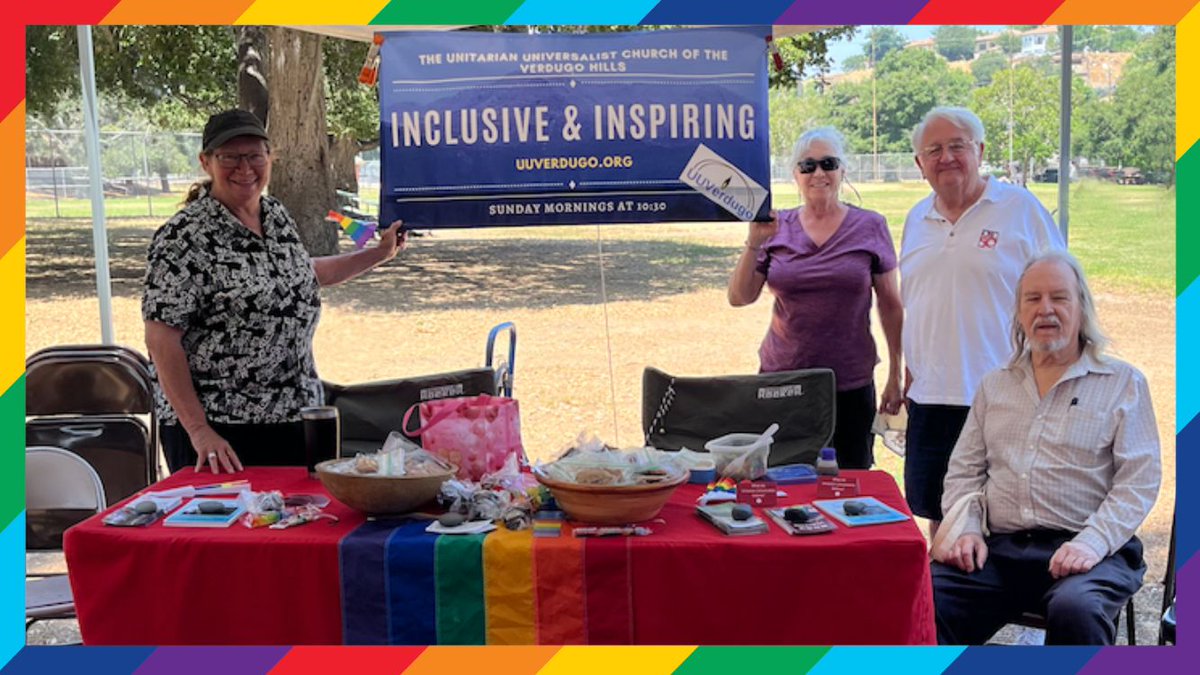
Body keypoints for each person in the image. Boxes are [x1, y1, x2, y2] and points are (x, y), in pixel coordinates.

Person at [142, 109, 407, 474]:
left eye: (254, 155)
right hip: (223, 431)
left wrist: (378, 254)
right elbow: (161, 339)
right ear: (206, 162)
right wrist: (199, 430)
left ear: (271, 158)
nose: (244, 168)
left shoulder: (276, 215)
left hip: (296, 416)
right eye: (230, 157)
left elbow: (303, 274)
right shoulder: (183, 237)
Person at [931, 251, 1160, 645]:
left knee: (1077, 610)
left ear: (1082, 308)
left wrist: (1091, 542)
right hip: (1000, 550)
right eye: (1032, 299)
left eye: (1059, 297)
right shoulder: (995, 385)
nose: (1045, 309)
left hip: (1091, 552)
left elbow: (1138, 482)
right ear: (1019, 313)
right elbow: (965, 472)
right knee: (922, 598)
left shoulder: (1123, 383)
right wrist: (966, 528)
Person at [901, 107, 1064, 535]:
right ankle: (948, 603)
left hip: (1005, 393)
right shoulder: (916, 219)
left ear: (981, 151)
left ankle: (1001, 602)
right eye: (933, 149)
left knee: (1005, 516)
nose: (947, 157)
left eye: (958, 145)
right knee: (941, 516)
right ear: (920, 164)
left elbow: (1064, 291)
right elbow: (918, 302)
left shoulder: (1019, 208)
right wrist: (907, 369)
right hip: (932, 394)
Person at [728, 127, 902, 468]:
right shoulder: (776, 226)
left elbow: (891, 305)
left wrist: (896, 373)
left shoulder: (871, 226)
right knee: (782, 483)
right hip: (783, 381)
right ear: (795, 174)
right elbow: (740, 296)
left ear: (842, 171)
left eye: (828, 164)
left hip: (849, 382)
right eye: (808, 166)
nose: (818, 173)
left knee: (851, 484)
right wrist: (754, 241)